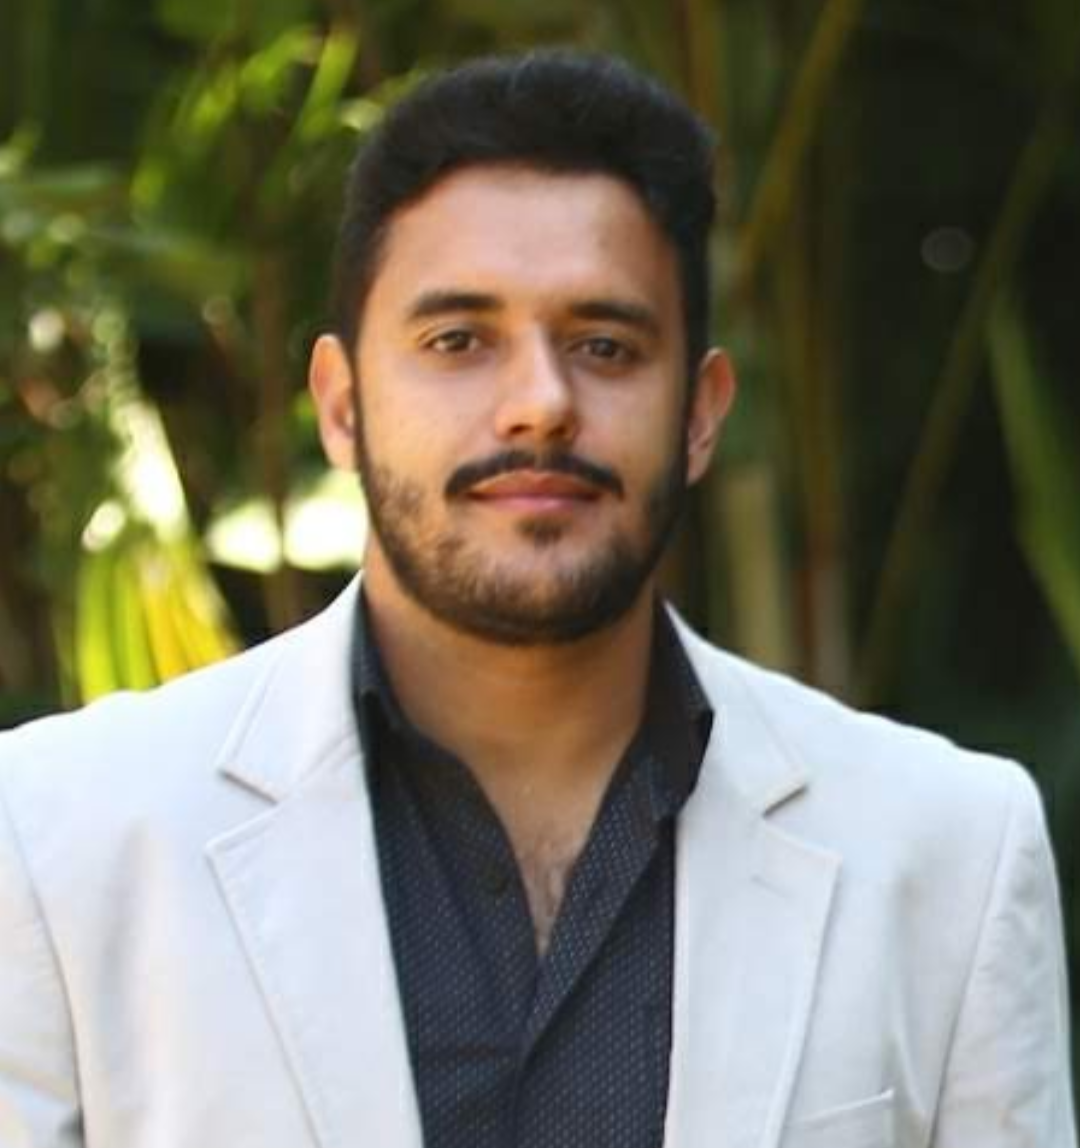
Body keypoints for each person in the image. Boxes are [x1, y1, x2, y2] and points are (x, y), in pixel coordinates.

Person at [0, 50, 1073, 1148]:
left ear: (700, 413)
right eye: (458, 341)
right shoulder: (59, 837)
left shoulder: (948, 850)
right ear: (343, 406)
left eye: (605, 345)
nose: (540, 404)